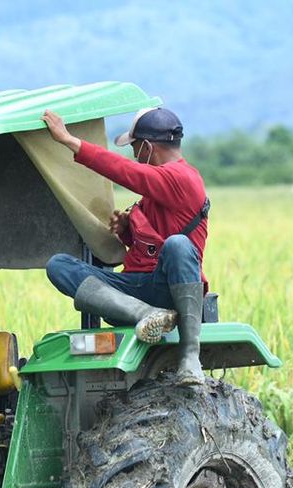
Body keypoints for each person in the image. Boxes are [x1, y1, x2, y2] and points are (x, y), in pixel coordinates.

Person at [40, 107, 209, 384]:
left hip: (169, 289)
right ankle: (149, 316)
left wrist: (70, 141)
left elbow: (127, 172)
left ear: (146, 147)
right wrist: (129, 232)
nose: (133, 154)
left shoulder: (182, 178)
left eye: (133, 147)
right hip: (134, 294)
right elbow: (152, 240)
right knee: (59, 265)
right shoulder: (156, 191)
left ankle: (190, 356)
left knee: (179, 245)